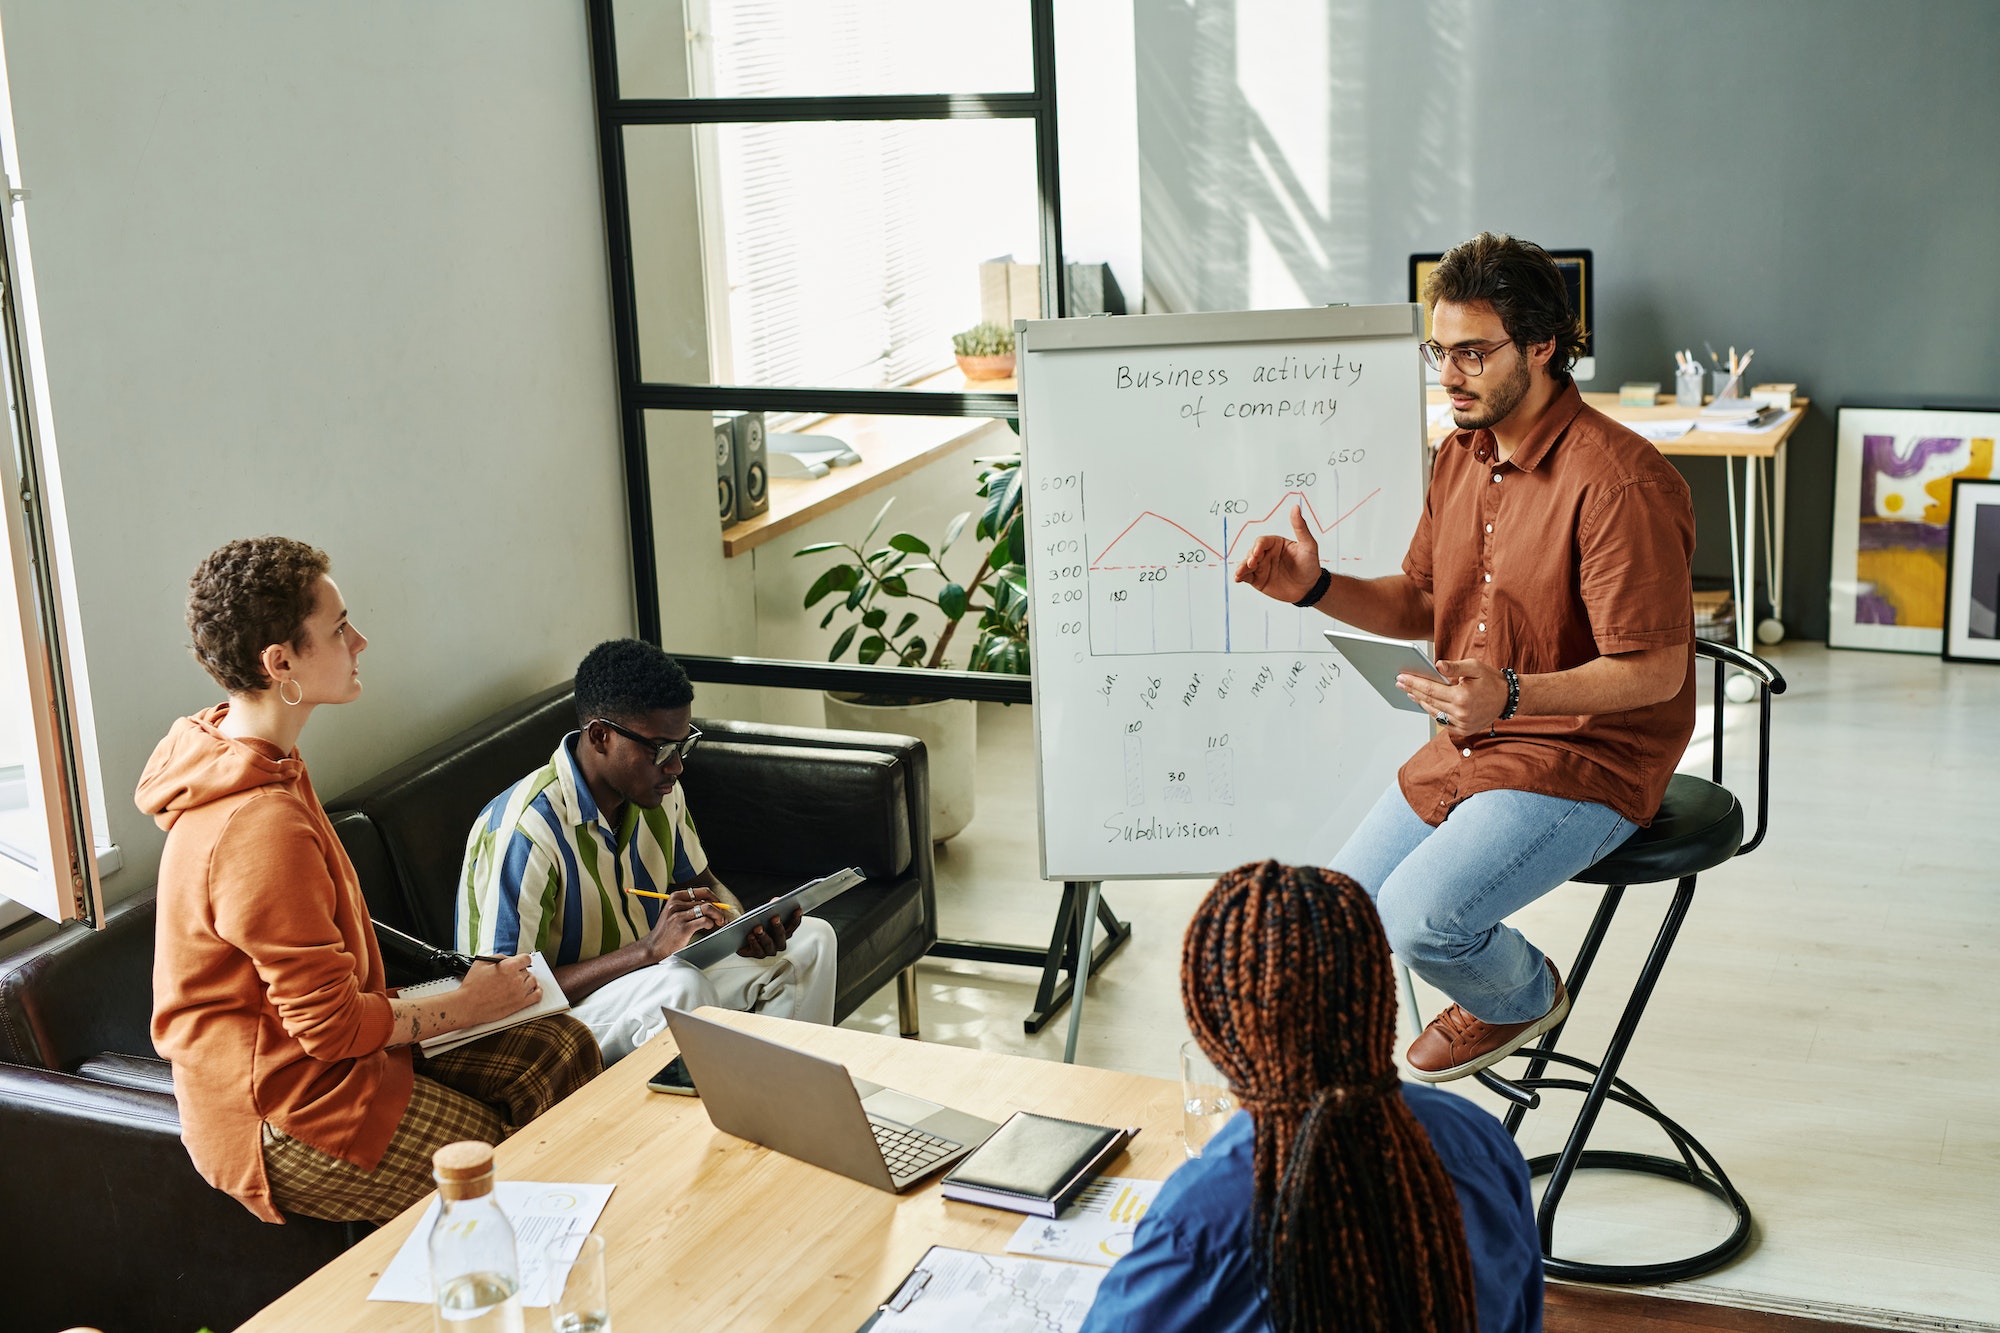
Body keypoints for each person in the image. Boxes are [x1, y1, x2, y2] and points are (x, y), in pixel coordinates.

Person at [1235, 232, 1696, 1082]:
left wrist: (1511, 696)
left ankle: (1522, 994)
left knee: (1418, 917)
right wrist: (1315, 586)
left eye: (1474, 354)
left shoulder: (1618, 483)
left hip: (1589, 756)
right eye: (1439, 351)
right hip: (1476, 743)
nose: (1449, 374)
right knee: (1342, 915)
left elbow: (1656, 672)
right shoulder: (1461, 455)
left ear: (1544, 347)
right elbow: (1419, 599)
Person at [143, 538, 601, 1224]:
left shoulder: (254, 756)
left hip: (332, 1053)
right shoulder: (258, 826)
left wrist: (464, 996)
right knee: (500, 1185)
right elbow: (326, 1031)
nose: (360, 639)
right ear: (281, 663)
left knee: (560, 1048)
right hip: (286, 1106)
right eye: (337, 628)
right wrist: (468, 1004)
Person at [1081, 861, 1541, 1333]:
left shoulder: (1201, 1215)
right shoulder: (1481, 1143)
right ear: (1377, 993)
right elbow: (1525, 1312)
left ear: (1215, 1026)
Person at [457, 639, 837, 1064]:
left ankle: (788, 1103)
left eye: (683, 745)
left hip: (644, 978)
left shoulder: (657, 793)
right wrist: (647, 951)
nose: (676, 767)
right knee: (680, 988)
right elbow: (498, 994)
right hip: (553, 1019)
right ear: (600, 735)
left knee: (812, 942)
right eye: (661, 750)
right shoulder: (525, 831)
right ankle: (710, 1122)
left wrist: (740, 925)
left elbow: (705, 884)